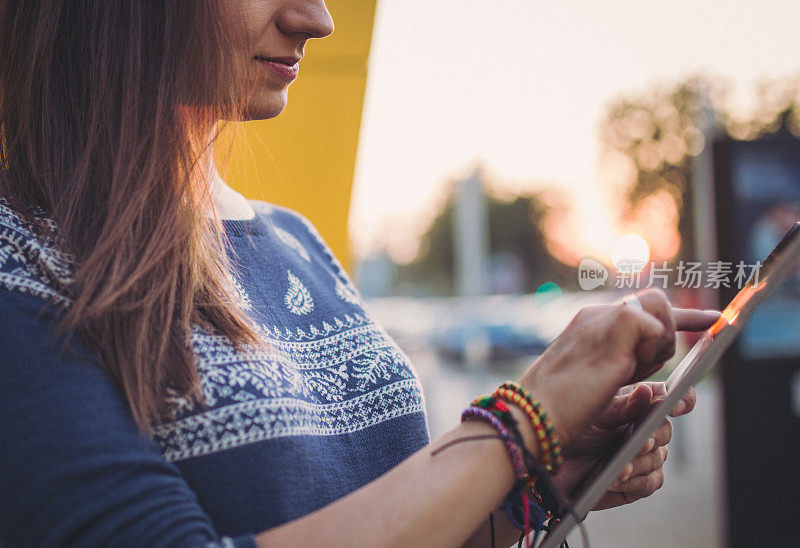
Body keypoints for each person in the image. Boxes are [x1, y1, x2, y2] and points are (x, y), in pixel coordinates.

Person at [0, 1, 719, 546]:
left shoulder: (292, 239)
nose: (315, 19)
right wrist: (523, 421)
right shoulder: (20, 260)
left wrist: (536, 482)